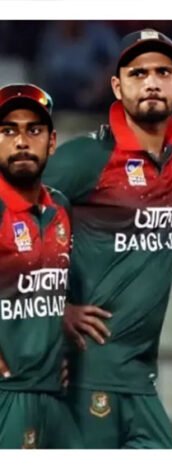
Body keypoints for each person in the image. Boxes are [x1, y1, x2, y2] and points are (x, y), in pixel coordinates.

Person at [41, 29, 172, 449]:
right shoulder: (84, 158)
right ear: (116, 85)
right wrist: (56, 309)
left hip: (141, 380)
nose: (151, 82)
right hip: (87, 374)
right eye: (138, 73)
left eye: (163, 72)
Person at [0, 83, 80, 448]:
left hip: (53, 394)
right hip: (8, 395)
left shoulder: (60, 207)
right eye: (8, 131)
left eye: (33, 130)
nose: (21, 142)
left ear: (52, 142)